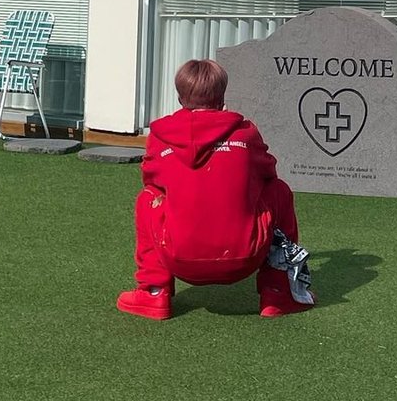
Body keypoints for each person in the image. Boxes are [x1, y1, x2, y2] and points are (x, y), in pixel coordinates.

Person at [116, 58, 315, 320]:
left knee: (148, 198)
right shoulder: (245, 134)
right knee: (278, 190)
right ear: (222, 96)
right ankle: (278, 292)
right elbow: (269, 173)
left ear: (180, 97)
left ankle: (154, 292)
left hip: (178, 257)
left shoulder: (159, 136)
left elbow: (150, 179)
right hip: (246, 256)